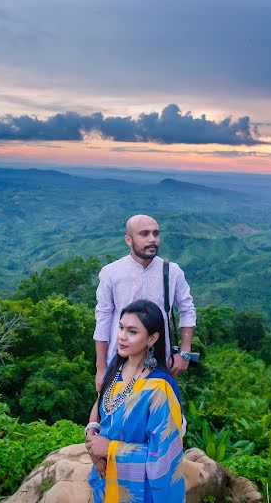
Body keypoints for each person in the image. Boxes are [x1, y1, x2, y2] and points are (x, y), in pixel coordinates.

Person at [85, 299, 185, 502]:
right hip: (106, 483)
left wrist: (110, 449)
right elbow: (100, 401)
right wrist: (91, 437)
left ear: (152, 338)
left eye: (132, 331)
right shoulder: (116, 365)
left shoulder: (159, 387)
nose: (121, 336)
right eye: (121, 327)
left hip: (141, 492)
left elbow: (164, 456)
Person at [94, 214, 197, 393]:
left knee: (159, 413)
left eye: (156, 234)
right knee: (115, 414)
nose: (152, 239)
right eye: (144, 234)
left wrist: (184, 353)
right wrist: (101, 367)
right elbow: (103, 319)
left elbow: (187, 310)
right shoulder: (111, 273)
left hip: (161, 362)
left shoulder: (172, 272)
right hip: (119, 360)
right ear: (129, 240)